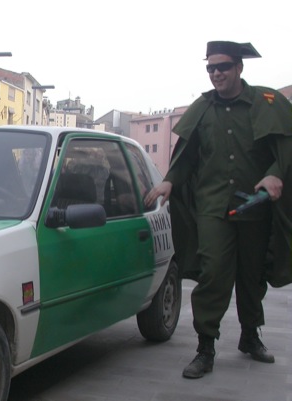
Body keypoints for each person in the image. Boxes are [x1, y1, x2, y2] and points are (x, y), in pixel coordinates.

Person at [144, 41, 292, 379]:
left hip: (253, 206)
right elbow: (187, 157)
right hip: (212, 207)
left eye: (222, 67)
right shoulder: (203, 109)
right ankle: (205, 347)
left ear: (239, 68)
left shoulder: (265, 104)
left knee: (252, 275)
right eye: (210, 68)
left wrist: (275, 173)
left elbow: (284, 149)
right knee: (214, 273)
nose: (216, 73)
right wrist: (170, 181)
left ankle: (250, 335)